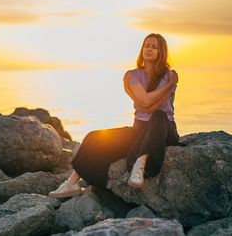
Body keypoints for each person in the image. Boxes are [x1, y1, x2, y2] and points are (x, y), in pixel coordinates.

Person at [48, 33, 184, 198]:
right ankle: (72, 183)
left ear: (160, 52)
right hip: (139, 129)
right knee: (94, 138)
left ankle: (139, 166)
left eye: (154, 47)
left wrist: (167, 85)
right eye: (146, 45)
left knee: (158, 114)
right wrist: (144, 95)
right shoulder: (133, 75)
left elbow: (148, 106)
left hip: (163, 129)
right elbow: (145, 102)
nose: (149, 49)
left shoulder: (169, 76)